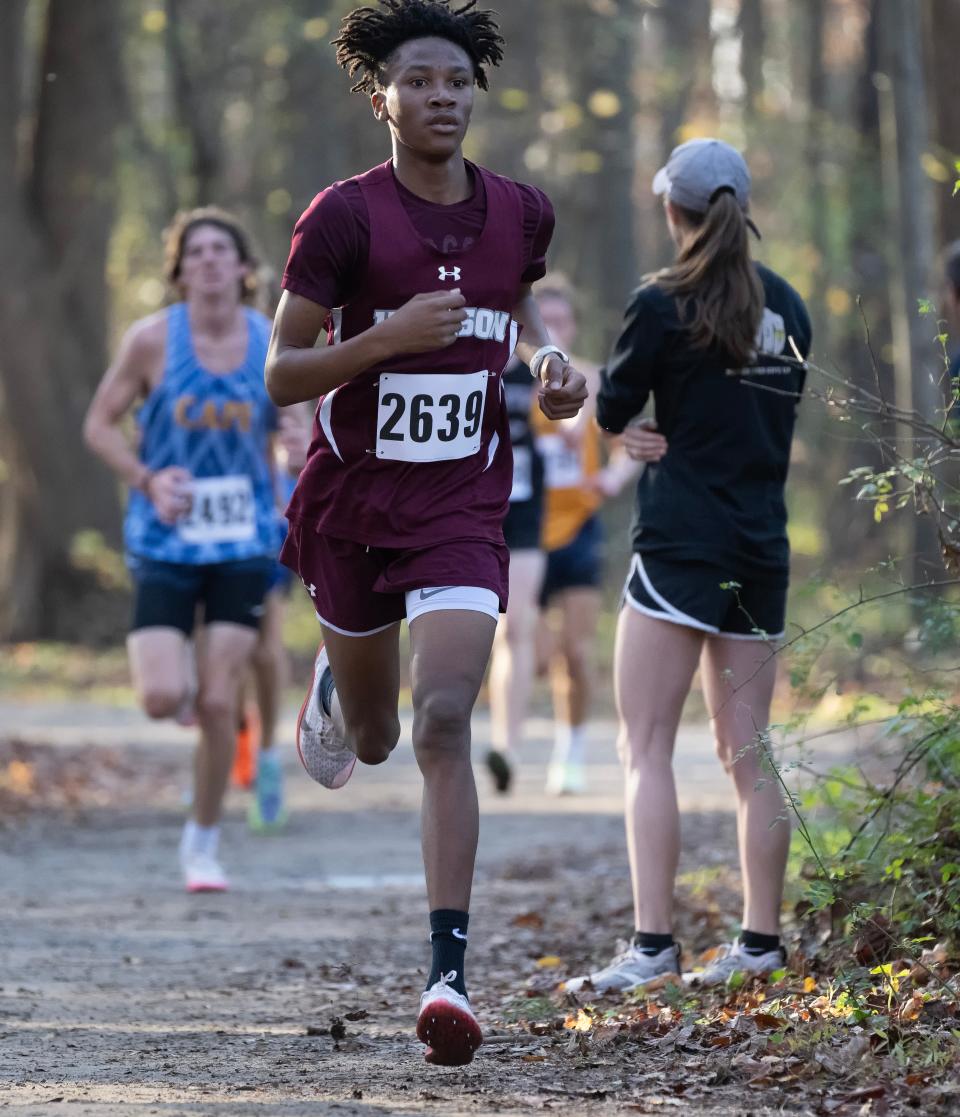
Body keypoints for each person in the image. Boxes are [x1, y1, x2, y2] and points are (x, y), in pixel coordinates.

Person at [265, 0, 587, 1066]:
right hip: (353, 506)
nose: (442, 96)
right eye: (420, 82)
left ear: (472, 92)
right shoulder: (344, 219)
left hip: (462, 504)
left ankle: (447, 972)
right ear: (382, 98)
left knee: (445, 718)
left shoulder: (521, 214)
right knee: (375, 740)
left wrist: (548, 369)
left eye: (456, 80)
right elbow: (281, 373)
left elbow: (518, 314)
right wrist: (389, 339)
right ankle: (335, 672)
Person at [563, 138, 812, 994]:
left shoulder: (662, 302)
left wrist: (621, 426)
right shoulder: (791, 309)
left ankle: (651, 946)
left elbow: (616, 406)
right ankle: (760, 944)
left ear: (673, 210)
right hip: (760, 547)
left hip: (676, 546)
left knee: (647, 747)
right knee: (754, 757)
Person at [84, 207, 279, 894]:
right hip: (166, 537)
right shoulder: (150, 341)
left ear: (245, 267)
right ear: (178, 270)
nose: (208, 261)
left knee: (222, 699)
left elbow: (302, 424)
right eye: (194, 252)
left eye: (221, 250)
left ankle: (203, 840)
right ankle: (192, 688)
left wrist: (296, 468)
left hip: (244, 538)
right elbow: (99, 424)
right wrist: (146, 477)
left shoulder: (271, 340)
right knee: (164, 696)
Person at [531, 283, 637, 795]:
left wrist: (613, 479)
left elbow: (630, 446)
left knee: (576, 650)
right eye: (542, 321)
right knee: (530, 652)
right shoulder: (507, 380)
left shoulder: (593, 380)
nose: (553, 330)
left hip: (578, 528)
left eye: (561, 322)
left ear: (573, 327)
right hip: (521, 531)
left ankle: (569, 751)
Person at [239, 408, 313, 832]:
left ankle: (266, 762)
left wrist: (295, 448)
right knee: (221, 656)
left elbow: (298, 418)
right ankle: (228, 749)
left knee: (264, 649)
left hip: (270, 529)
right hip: (218, 531)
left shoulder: (280, 347)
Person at [484, 350, 546, 794]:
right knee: (476, 626)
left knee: (514, 629)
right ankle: (457, 732)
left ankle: (508, 748)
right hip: (468, 508)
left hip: (523, 512)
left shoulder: (536, 365)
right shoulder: (461, 351)